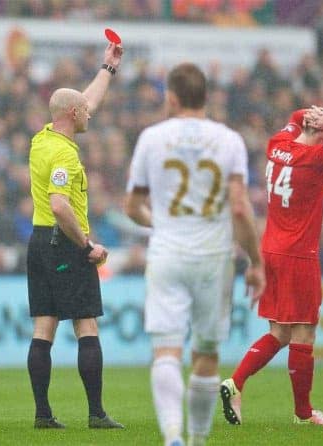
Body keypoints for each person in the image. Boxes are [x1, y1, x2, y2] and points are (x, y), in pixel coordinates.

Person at [124, 62, 265, 446]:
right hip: (213, 258)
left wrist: (161, 224)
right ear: (207, 97)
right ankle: (199, 440)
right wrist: (256, 262)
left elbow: (132, 205)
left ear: (171, 97)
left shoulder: (152, 138)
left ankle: (173, 436)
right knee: (205, 353)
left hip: (167, 253)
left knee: (166, 352)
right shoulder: (229, 140)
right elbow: (239, 208)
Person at [220, 106, 323, 427]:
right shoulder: (316, 157)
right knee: (304, 333)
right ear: (322, 133)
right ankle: (304, 412)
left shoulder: (277, 144)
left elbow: (294, 117)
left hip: (271, 248)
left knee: (280, 332)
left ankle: (235, 383)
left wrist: (312, 116)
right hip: (299, 254)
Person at [26, 41, 124, 430]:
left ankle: (42, 415)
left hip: (37, 242)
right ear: (72, 114)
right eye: (83, 111)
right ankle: (97, 413)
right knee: (86, 324)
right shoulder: (65, 154)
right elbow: (60, 205)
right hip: (64, 242)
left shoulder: (42, 138)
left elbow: (85, 101)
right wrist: (88, 245)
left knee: (44, 326)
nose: (90, 113)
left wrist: (108, 69)